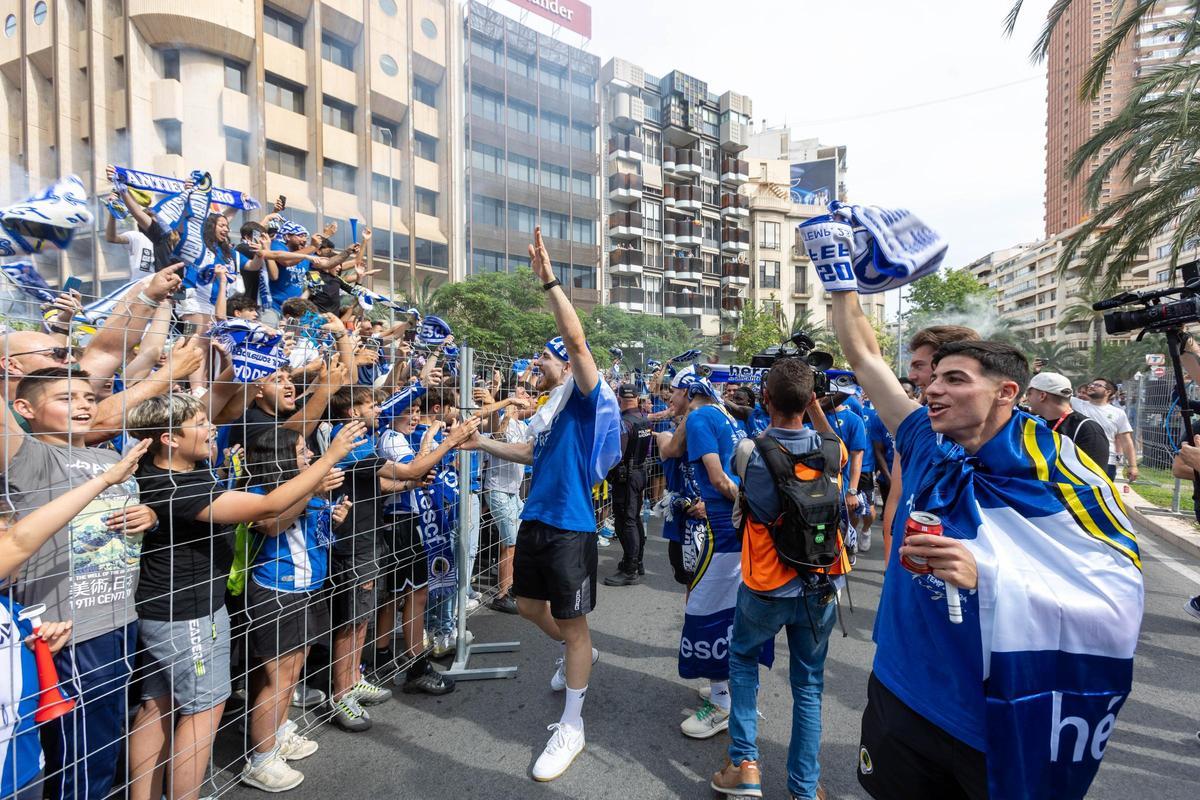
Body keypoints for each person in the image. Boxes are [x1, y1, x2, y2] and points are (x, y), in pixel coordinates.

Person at [813, 222, 1143, 800]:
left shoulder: (1057, 470)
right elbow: (863, 354)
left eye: (954, 379)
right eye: (932, 377)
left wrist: (985, 574)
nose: (932, 390)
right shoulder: (922, 437)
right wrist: (837, 270)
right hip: (900, 687)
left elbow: (1112, 598)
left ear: (1006, 393)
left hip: (992, 711)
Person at [125, 396, 356, 800]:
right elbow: (269, 508)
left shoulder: (180, 473)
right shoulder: (177, 484)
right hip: (187, 614)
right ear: (169, 439)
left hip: (175, 609)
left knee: (156, 706)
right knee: (203, 710)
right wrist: (329, 458)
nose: (212, 427)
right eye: (200, 422)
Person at [462, 227, 620, 782]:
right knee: (532, 609)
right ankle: (580, 652)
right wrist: (480, 442)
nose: (535, 365)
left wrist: (549, 281)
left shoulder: (585, 390)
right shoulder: (554, 405)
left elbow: (577, 343)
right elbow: (529, 451)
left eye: (542, 359)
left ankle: (573, 724)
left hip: (572, 525)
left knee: (573, 625)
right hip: (536, 519)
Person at [1, 368, 160, 800]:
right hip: (65, 630)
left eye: (88, 397)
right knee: (75, 754)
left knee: (105, 741)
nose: (85, 405)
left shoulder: (111, 458)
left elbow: (135, 512)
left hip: (119, 618)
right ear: (24, 410)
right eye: (66, 398)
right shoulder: (28, 456)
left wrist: (149, 517)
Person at [710, 359, 846, 800]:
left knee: (744, 660)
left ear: (765, 398)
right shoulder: (832, 451)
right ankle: (805, 788)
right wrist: (814, 405)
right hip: (820, 583)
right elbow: (831, 439)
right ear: (810, 401)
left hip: (766, 582)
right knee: (808, 685)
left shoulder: (751, 451)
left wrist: (793, 402)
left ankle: (744, 765)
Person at [240, 424, 365, 792]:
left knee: (292, 671)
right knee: (276, 677)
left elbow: (311, 531)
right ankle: (260, 759)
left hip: (307, 589)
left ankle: (278, 735)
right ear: (277, 456)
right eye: (300, 451)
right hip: (278, 590)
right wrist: (313, 484)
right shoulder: (261, 490)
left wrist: (333, 517)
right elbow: (274, 525)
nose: (308, 455)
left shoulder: (302, 484)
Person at [879, 325, 980, 563]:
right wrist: (891, 560)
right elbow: (898, 494)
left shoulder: (1019, 440)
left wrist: (984, 574)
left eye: (919, 366)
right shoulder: (916, 425)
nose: (912, 376)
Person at [602, 384, 654, 587]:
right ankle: (636, 561)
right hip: (640, 472)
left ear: (619, 398)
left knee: (625, 521)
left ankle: (630, 568)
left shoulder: (624, 423)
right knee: (634, 519)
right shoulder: (643, 418)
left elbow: (617, 454)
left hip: (626, 476)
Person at [1025, 372, 1110, 467]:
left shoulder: (1087, 429)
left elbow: (1096, 477)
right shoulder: (1032, 422)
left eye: (1029, 394)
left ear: (1042, 396)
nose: (1026, 398)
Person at [1071, 378, 1138, 482]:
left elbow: (1126, 441)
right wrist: (1037, 372)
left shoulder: (1118, 413)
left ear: (1108, 392)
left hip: (1106, 463)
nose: (1091, 386)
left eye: (1097, 385)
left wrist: (1133, 466)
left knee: (1101, 497)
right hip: (1078, 460)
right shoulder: (1076, 404)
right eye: (1091, 384)